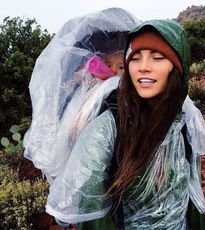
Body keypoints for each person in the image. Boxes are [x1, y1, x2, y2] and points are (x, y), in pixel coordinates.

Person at [45, 19, 205, 229]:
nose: (143, 67)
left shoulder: (185, 119)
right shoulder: (106, 129)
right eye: (135, 58)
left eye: (158, 58)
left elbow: (191, 191)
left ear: (177, 67)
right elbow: (92, 212)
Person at [23, 7, 140, 183]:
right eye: (108, 65)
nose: (114, 71)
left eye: (121, 67)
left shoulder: (130, 92)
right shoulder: (91, 89)